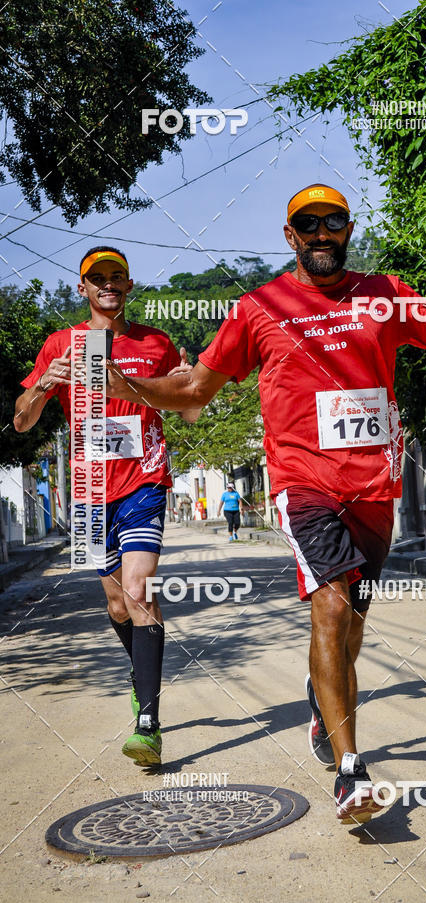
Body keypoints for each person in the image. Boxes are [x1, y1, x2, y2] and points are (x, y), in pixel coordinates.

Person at [105, 185, 426, 820]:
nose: (323, 233)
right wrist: (127, 382)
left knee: (350, 623)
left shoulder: (384, 293)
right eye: (309, 224)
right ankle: (351, 772)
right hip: (305, 484)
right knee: (329, 607)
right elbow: (194, 386)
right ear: (290, 234)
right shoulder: (259, 308)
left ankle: (323, 704)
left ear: (347, 230)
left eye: (335, 222)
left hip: (375, 488)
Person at [14, 246, 200, 768]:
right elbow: (23, 422)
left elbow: (187, 412)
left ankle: (148, 722)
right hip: (92, 491)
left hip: (145, 481)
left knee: (140, 592)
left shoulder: (155, 343)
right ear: (83, 288)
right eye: (98, 278)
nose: (108, 285)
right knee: (118, 605)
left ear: (129, 285)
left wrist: (186, 383)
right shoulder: (62, 344)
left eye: (117, 276)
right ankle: (142, 679)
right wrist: (45, 383)